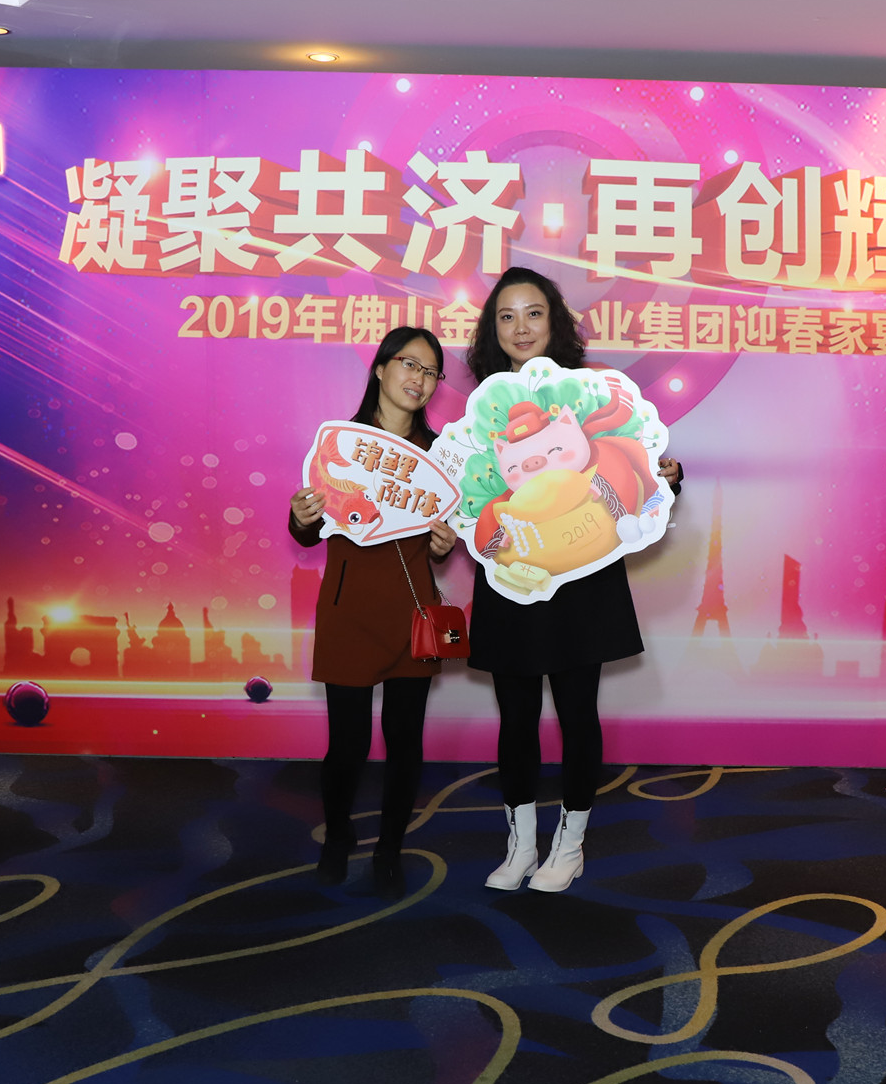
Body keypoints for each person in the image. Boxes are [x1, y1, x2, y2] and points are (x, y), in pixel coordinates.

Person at [464, 267, 682, 893]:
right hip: (512, 580)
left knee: (578, 714)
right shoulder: (480, 413)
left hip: (582, 582)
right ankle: (520, 845)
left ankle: (570, 845)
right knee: (516, 719)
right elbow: (466, 497)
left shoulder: (591, 395)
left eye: (533, 313)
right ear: (492, 330)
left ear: (554, 321)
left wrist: (666, 477)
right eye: (507, 316)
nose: (521, 327)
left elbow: (638, 470)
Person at [289, 326, 456, 895]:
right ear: (381, 368)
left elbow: (445, 537)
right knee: (348, 745)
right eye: (409, 364)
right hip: (349, 609)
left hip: (412, 613)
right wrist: (301, 517)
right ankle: (337, 837)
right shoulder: (341, 445)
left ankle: (390, 849)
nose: (419, 378)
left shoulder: (440, 457)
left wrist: (445, 544)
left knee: (405, 742)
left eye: (430, 371)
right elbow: (309, 529)